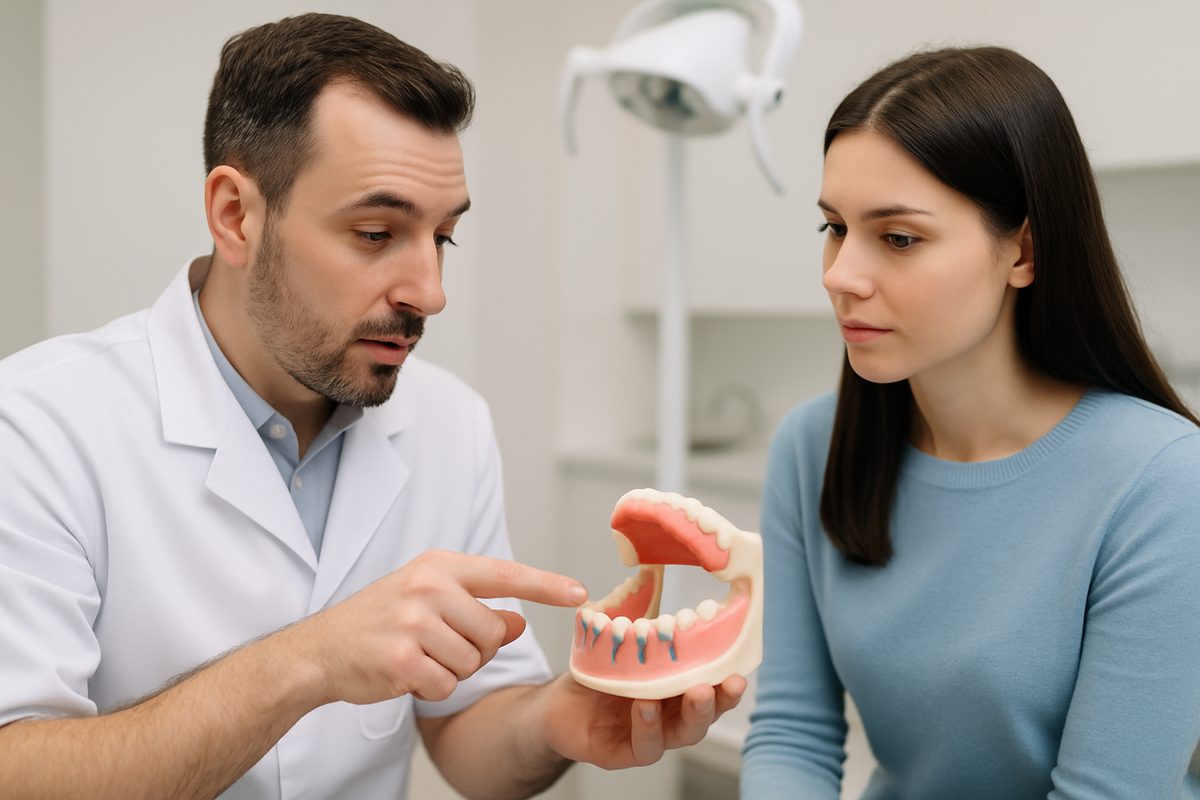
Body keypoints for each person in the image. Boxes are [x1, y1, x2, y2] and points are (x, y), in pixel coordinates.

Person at [0, 13, 745, 799]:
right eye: (375, 232)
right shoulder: (39, 426)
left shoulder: (450, 425)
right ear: (235, 215)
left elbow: (466, 725)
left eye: (443, 237)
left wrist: (555, 722)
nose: (430, 291)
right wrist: (313, 659)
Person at [740, 46, 1200, 799]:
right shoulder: (811, 447)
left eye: (897, 238)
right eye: (833, 228)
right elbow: (792, 733)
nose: (840, 275)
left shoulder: (1165, 482)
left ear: (1023, 250)